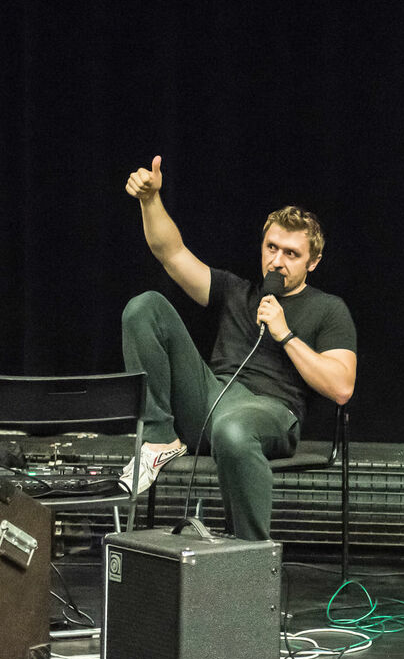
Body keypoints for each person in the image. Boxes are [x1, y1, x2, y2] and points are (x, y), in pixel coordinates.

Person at [120, 156, 357, 540]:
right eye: (271, 247)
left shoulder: (329, 309)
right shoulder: (236, 291)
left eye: (291, 254)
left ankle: (250, 558)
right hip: (212, 397)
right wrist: (150, 200)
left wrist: (285, 334)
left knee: (233, 428)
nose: (277, 261)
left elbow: (342, 387)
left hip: (272, 411)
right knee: (145, 306)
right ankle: (160, 439)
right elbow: (172, 253)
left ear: (313, 262)